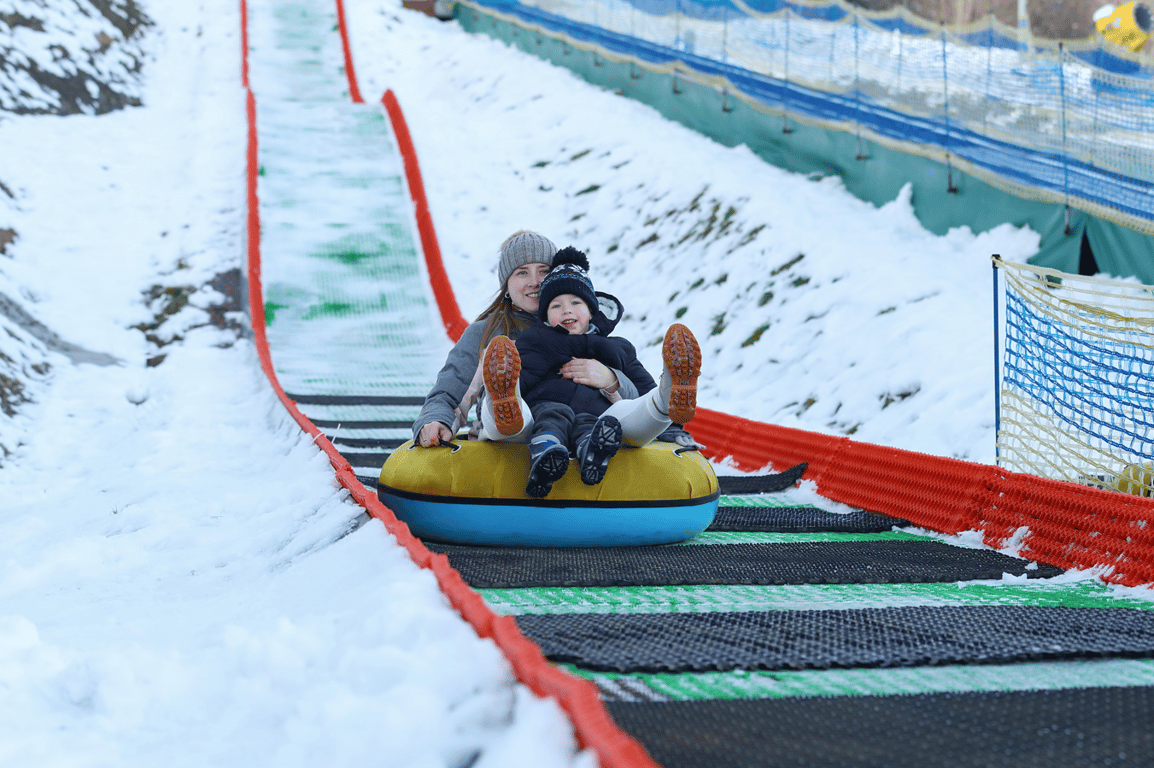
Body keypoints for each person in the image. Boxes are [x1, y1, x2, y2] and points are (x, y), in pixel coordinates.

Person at [483, 246, 702, 498]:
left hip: (599, 416)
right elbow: (523, 380)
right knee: (551, 416)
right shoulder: (536, 341)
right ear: (544, 317)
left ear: (592, 311)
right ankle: (546, 452)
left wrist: (673, 429)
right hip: (548, 408)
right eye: (556, 306)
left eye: (576, 302)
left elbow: (642, 385)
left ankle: (669, 393)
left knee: (609, 420)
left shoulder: (617, 348)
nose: (567, 310)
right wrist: (508, 393)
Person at [412, 230, 643, 447]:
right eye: (522, 272)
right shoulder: (487, 333)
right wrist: (436, 421)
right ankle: (505, 398)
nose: (534, 281)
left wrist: (611, 380)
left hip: (583, 438)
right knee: (513, 393)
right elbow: (449, 392)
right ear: (506, 285)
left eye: (543, 270)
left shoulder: (583, 327)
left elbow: (636, 397)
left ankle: (666, 403)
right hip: (507, 446)